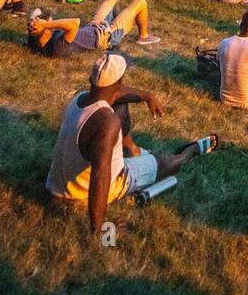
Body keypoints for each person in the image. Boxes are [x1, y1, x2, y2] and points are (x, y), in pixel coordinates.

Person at [46, 54, 217, 234]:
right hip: (82, 193)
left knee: (121, 106)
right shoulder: (107, 123)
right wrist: (101, 228)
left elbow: (118, 94)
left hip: (56, 186)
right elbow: (100, 176)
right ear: (119, 82)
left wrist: (147, 96)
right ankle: (192, 150)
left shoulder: (80, 99)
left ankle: (133, 151)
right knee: (163, 164)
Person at [27, 0, 159, 55]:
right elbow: (75, 23)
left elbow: (48, 20)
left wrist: (44, 24)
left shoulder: (50, 35)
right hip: (106, 36)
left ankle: (119, 19)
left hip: (94, 25)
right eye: (38, 25)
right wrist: (45, 25)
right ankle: (143, 36)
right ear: (42, 33)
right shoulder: (56, 47)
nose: (42, 21)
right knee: (141, 2)